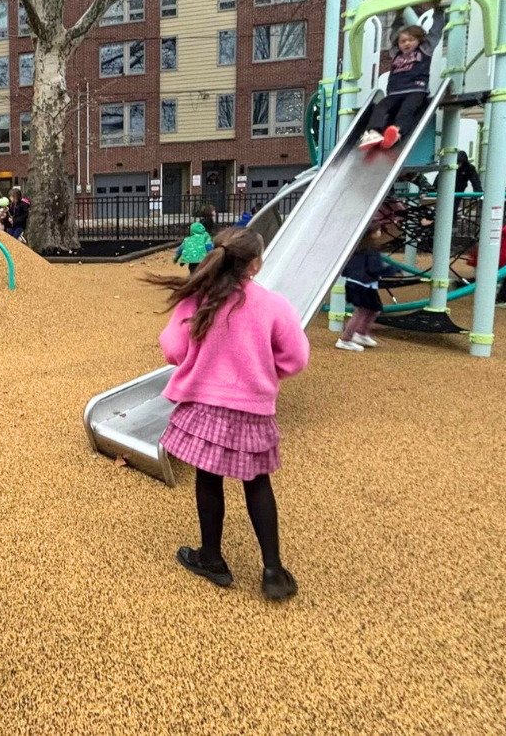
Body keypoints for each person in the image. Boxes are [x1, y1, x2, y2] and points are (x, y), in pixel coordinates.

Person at [144, 227, 310, 601]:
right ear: (254, 265)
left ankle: (212, 557)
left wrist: (198, 361)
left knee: (208, 478)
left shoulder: (200, 300)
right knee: (257, 482)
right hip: (252, 407)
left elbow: (172, 347)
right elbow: (297, 356)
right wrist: (269, 370)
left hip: (204, 403)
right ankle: (273, 570)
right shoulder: (273, 305)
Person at [359, 7, 446, 150]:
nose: (406, 44)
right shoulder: (396, 53)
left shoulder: (425, 49)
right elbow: (394, 33)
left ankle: (397, 133)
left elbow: (435, 31)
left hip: (416, 89)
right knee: (380, 107)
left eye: (410, 40)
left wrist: (438, 10)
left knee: (407, 110)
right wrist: (398, 16)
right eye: (403, 41)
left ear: (419, 40)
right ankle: (374, 133)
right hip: (395, 92)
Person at [337, 225, 401, 352]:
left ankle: (361, 333)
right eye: (378, 230)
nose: (380, 232)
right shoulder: (370, 250)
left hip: (358, 283)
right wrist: (393, 270)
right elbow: (375, 268)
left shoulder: (358, 248)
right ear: (371, 234)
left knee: (374, 309)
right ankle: (345, 340)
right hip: (362, 285)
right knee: (361, 311)